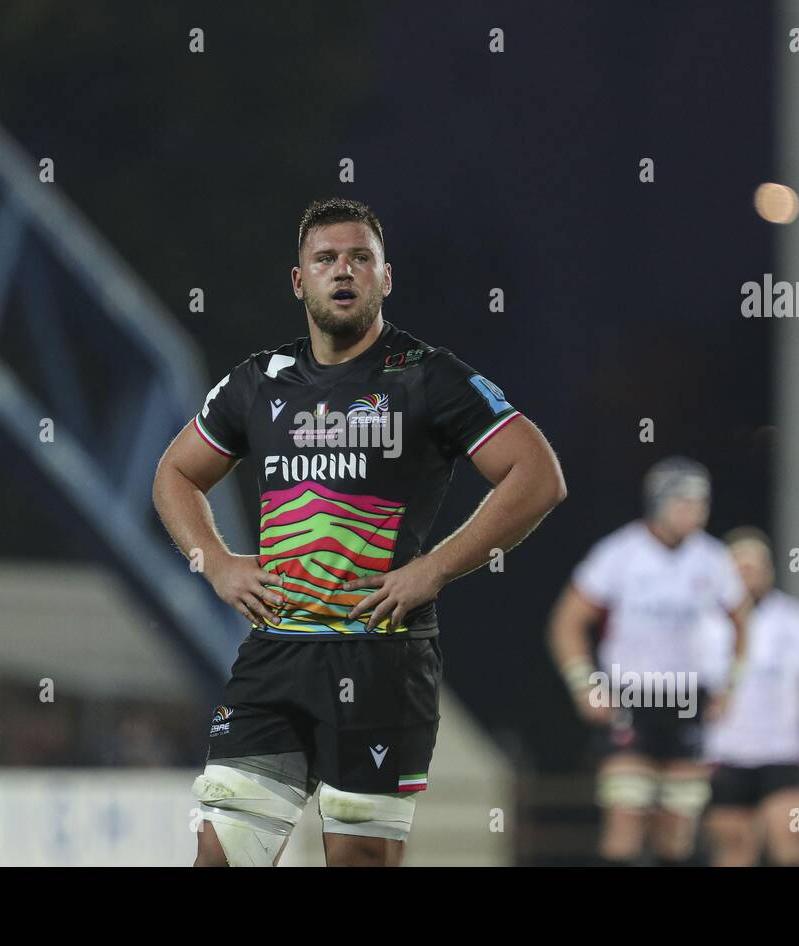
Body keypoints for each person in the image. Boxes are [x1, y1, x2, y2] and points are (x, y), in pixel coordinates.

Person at [152, 198, 567, 866]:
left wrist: (434, 568)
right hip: (274, 659)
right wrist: (218, 563)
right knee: (221, 857)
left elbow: (536, 474)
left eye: (359, 258)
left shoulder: (428, 377)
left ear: (385, 277)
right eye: (325, 259)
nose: (342, 271)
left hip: (382, 659)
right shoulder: (259, 383)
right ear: (299, 280)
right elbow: (174, 473)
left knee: (356, 861)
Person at [547, 458, 749, 865]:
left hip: (688, 697)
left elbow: (743, 624)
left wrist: (730, 685)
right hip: (630, 695)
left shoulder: (713, 559)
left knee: (678, 826)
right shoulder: (619, 553)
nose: (696, 511)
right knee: (625, 815)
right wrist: (582, 684)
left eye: (701, 502)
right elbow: (566, 622)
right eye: (685, 502)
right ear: (659, 502)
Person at [702, 527, 799, 866]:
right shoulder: (704, 623)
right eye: (739, 568)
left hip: (783, 753)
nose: (747, 576)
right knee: (735, 847)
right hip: (725, 755)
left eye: (754, 567)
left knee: (791, 839)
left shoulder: (797, 620)